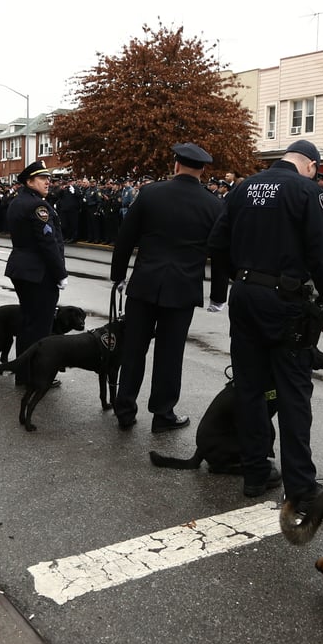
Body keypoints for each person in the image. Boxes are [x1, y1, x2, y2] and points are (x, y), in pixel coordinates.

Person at [206, 139, 323, 507]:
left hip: (246, 294)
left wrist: (238, 277)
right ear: (311, 165)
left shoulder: (242, 188)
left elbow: (217, 244)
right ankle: (300, 486)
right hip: (286, 302)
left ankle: (254, 473)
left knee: (249, 387)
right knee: (294, 392)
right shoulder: (306, 190)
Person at [110, 143, 227, 433]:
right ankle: (163, 414)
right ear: (203, 170)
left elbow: (125, 238)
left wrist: (118, 275)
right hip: (183, 287)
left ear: (176, 165)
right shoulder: (213, 204)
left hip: (146, 283)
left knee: (134, 349)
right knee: (170, 354)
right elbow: (223, 252)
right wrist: (218, 295)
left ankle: (125, 409)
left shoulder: (150, 193)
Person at [4, 161, 67, 386]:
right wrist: (60, 273)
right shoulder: (37, 206)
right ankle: (35, 376)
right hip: (37, 272)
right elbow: (48, 243)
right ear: (30, 181)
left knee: (28, 324)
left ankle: (24, 373)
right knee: (39, 327)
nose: (48, 182)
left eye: (48, 178)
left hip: (23, 269)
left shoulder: (19, 201)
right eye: (42, 178)